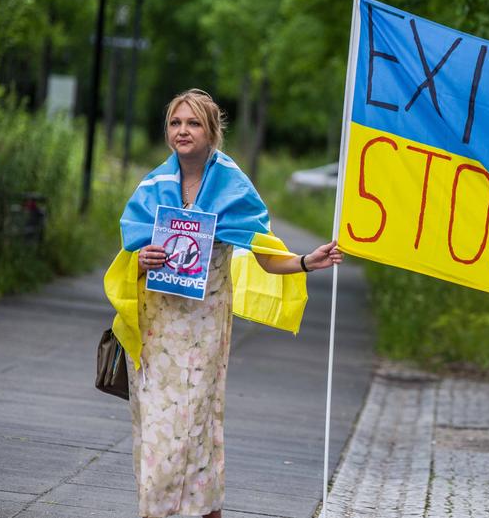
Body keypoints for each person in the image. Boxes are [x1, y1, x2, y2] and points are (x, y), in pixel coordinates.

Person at [104, 88, 342, 518]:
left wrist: (308, 261)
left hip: (204, 332)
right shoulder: (153, 185)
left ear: (212, 131)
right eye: (176, 123)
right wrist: (142, 259)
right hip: (155, 332)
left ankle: (173, 510)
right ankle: (181, 508)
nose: (183, 131)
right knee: (157, 428)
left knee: (192, 427)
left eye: (193, 123)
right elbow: (129, 259)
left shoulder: (233, 186)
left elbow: (267, 256)